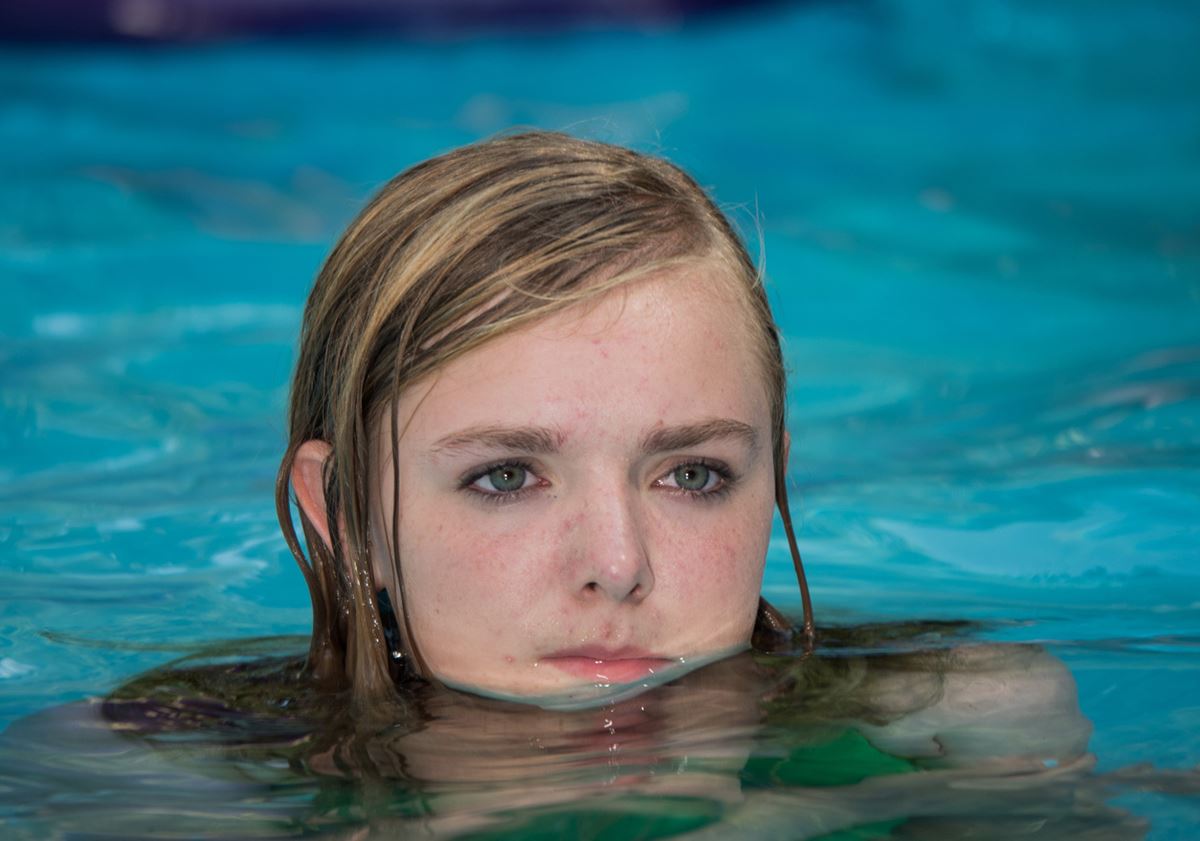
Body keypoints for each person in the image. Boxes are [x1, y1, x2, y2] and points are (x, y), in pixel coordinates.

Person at [274, 129, 813, 705]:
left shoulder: (884, 735)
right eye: (506, 477)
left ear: (771, 481)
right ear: (348, 515)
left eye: (692, 475)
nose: (618, 568)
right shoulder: (213, 758)